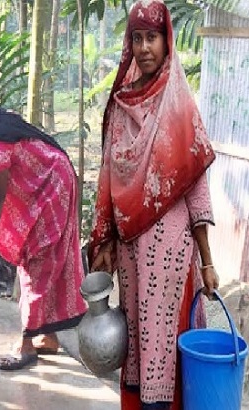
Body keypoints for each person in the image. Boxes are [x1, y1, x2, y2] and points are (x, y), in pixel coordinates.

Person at [88, 1, 219, 409]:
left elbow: (195, 187)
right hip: (130, 254)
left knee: (167, 344)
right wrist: (104, 238)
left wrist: (208, 260)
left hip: (173, 254)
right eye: (137, 38)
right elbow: (108, 177)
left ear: (167, 42)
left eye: (152, 37)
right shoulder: (121, 105)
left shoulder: (181, 105)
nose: (145, 47)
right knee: (137, 343)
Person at [0, 78, 88, 371]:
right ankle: (47, 336)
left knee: (37, 262)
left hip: (52, 187)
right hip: (36, 188)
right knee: (38, 261)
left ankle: (27, 345)